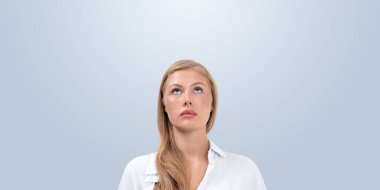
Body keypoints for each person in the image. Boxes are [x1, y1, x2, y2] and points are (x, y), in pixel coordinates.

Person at [118, 60, 267, 190]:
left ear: (212, 103)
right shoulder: (137, 171)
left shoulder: (244, 171)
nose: (187, 99)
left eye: (197, 89)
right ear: (163, 104)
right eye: (176, 91)